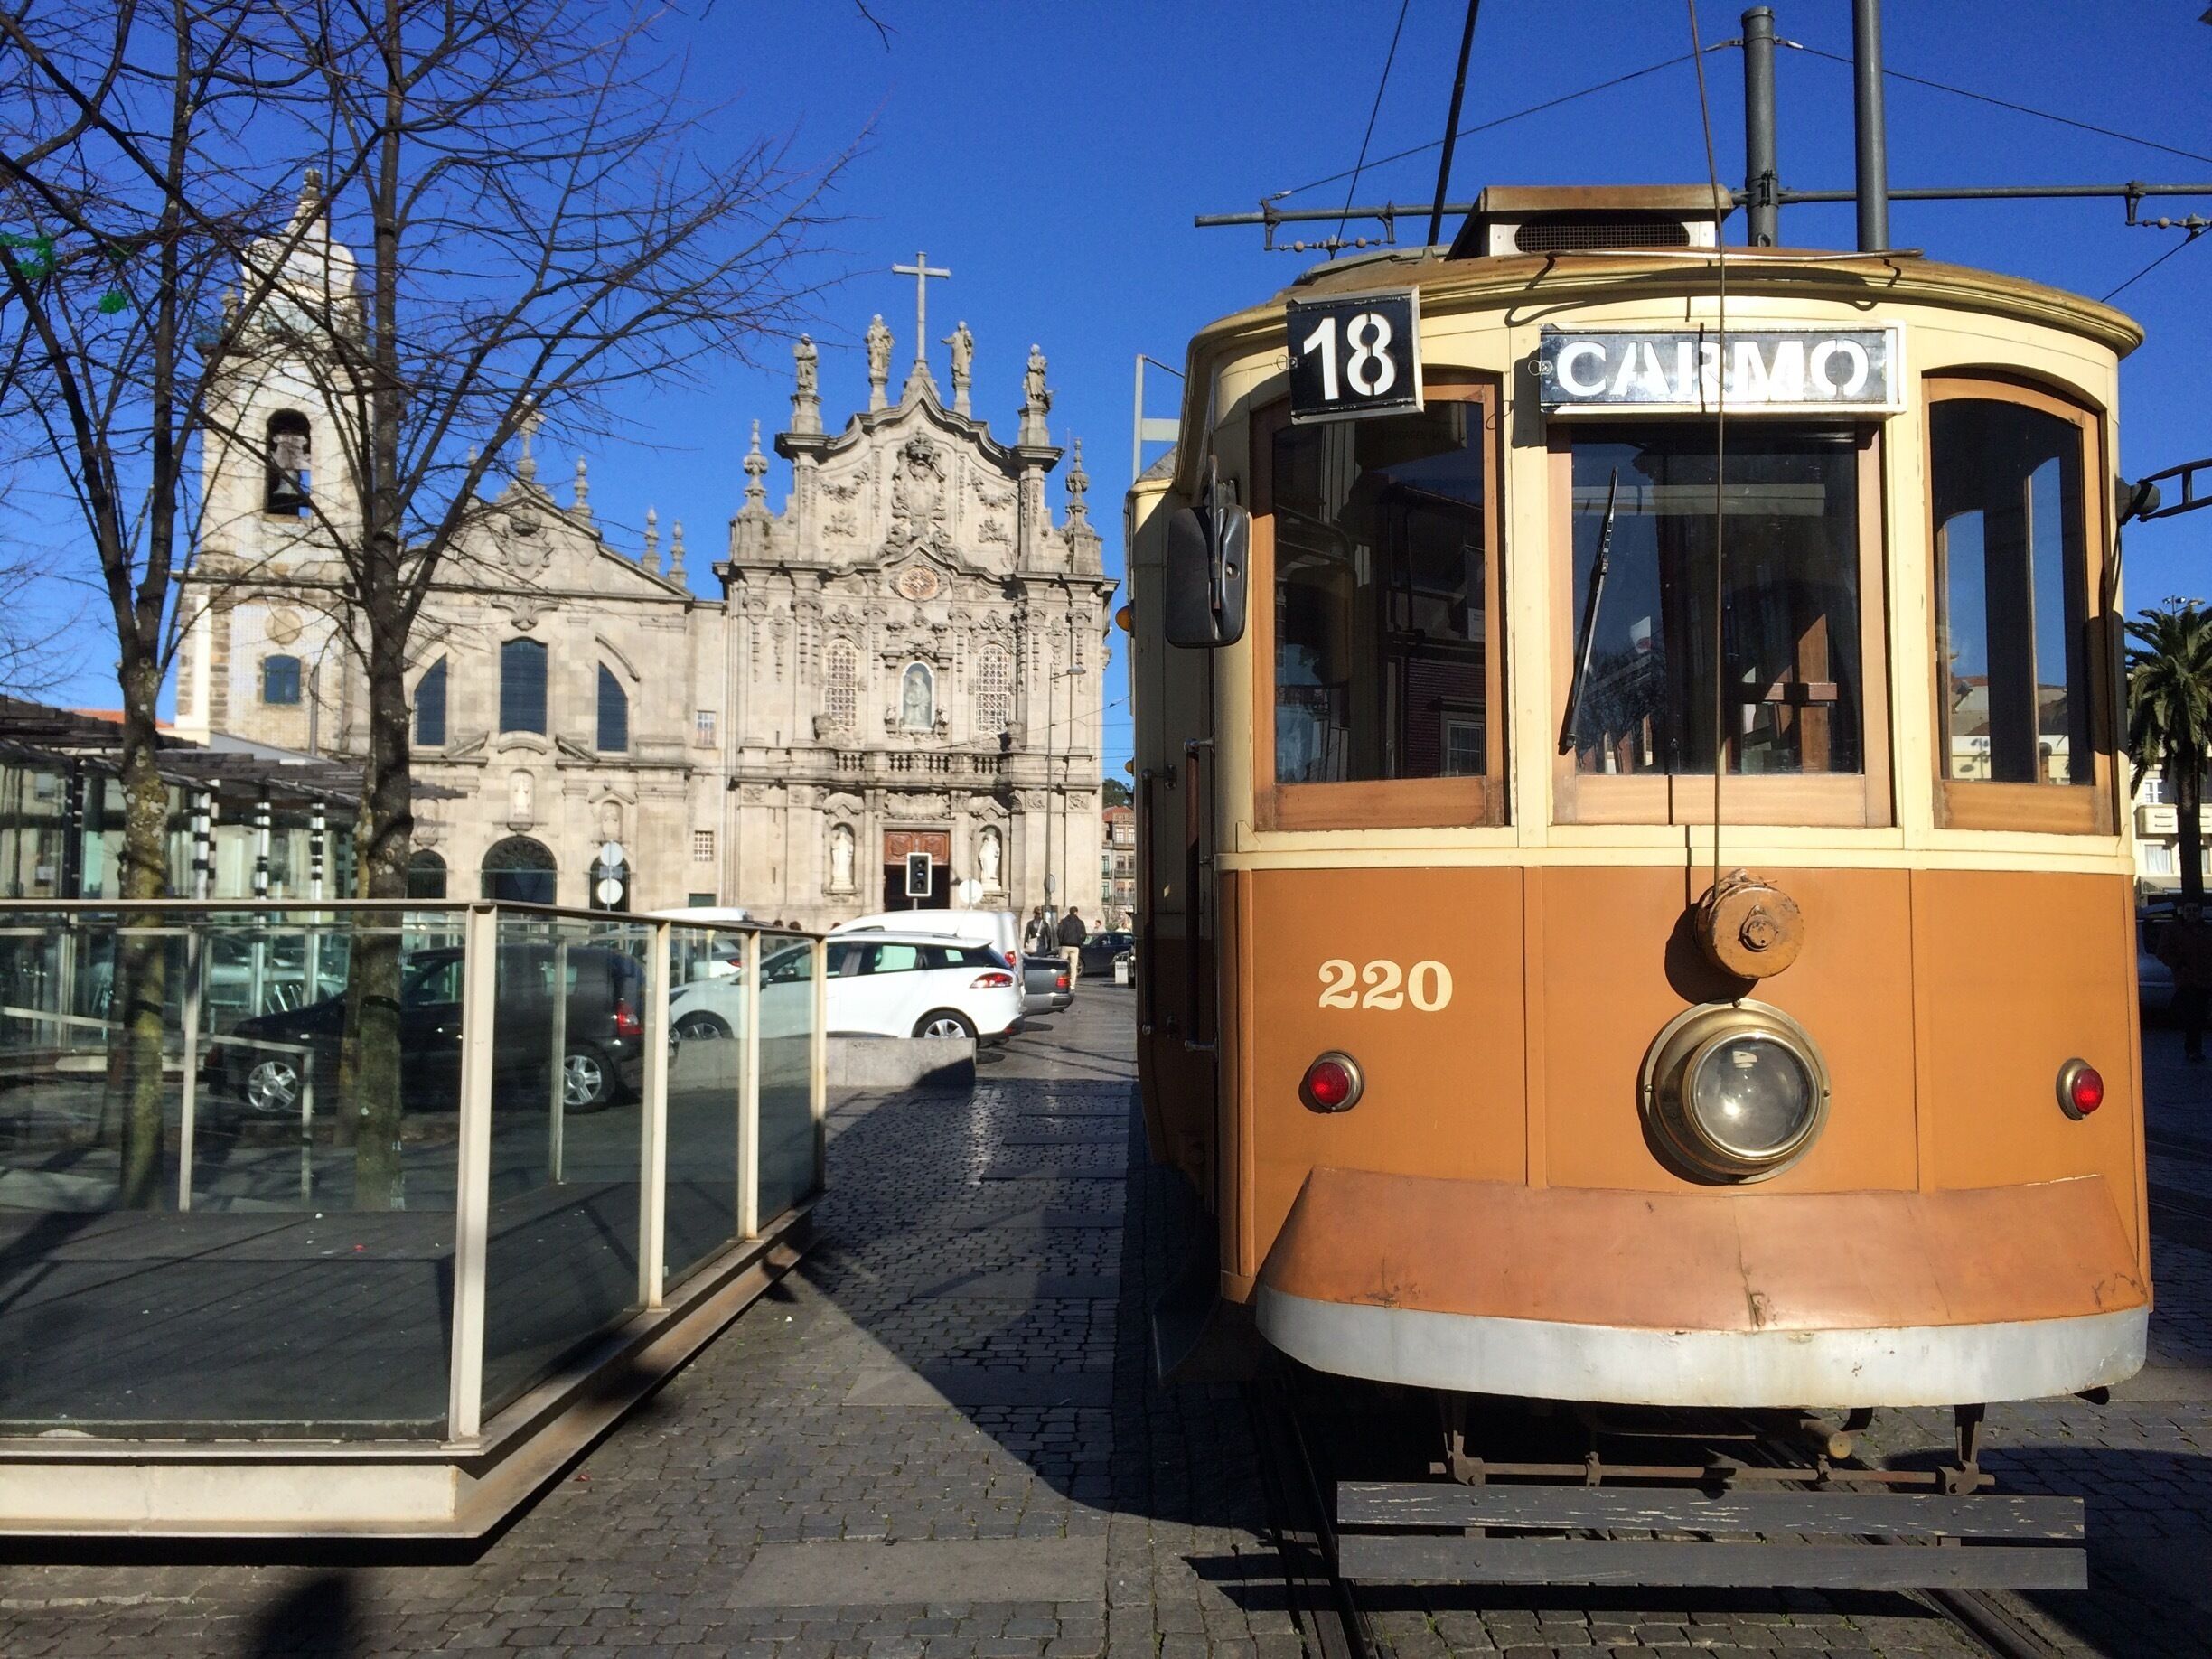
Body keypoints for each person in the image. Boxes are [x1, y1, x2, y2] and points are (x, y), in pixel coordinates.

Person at [2160, 900, 2212, 1063]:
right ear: (2183, 910)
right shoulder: (2173, 930)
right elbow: (2162, 951)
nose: (2191, 913)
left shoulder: (2207, 930)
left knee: (2201, 1016)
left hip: (2206, 979)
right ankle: (2193, 1050)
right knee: (2192, 1017)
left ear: (2201, 911)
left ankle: (2195, 1048)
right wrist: (2178, 965)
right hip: (2187, 980)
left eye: (2195, 910)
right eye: (2188, 910)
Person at [1057, 908, 1087, 987]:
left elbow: (1059, 932)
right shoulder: (1080, 922)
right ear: (1076, 912)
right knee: (1073, 966)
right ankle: (1072, 984)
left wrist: (1061, 941)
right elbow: (1084, 935)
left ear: (1069, 912)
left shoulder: (1063, 921)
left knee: (1062, 964)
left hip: (1065, 945)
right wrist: (1080, 942)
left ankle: (1062, 983)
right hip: (1075, 946)